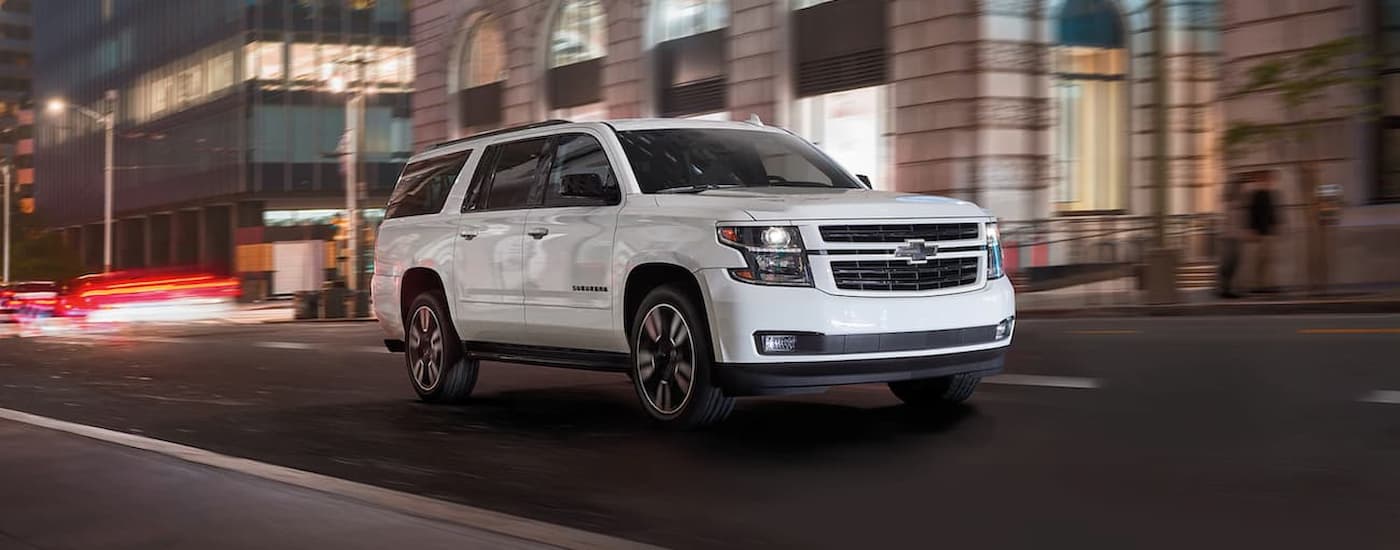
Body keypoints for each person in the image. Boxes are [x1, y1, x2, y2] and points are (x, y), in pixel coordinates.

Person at [1216, 173, 1251, 299]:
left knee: (1234, 264)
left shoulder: (1240, 202)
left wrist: (1243, 233)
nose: (1243, 188)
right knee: (1228, 264)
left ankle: (1227, 288)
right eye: (1241, 186)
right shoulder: (1229, 203)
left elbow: (1240, 221)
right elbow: (1226, 222)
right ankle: (1223, 289)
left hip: (1236, 237)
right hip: (1229, 238)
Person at [1246, 170, 1280, 293]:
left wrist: (1275, 225)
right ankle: (1258, 286)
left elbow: (1272, 213)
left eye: (1270, 179)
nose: (1269, 181)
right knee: (1260, 261)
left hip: (1269, 233)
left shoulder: (1270, 194)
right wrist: (1252, 230)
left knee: (1269, 260)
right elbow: (1252, 214)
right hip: (1260, 233)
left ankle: (1268, 285)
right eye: (1267, 179)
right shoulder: (1256, 195)